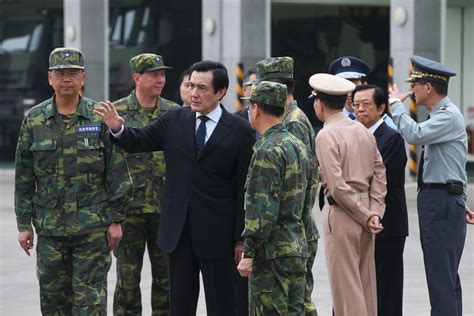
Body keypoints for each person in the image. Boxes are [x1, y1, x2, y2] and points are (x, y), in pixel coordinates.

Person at [94, 60, 255, 316]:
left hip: (218, 235)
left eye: (202, 88)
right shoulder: (174, 119)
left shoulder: (241, 130)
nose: (193, 93)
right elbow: (139, 140)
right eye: (191, 85)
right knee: (179, 305)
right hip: (178, 233)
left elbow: (242, 188)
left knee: (223, 305)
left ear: (221, 92)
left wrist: (240, 239)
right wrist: (117, 128)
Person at [15, 47, 132, 315]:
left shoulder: (99, 116)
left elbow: (116, 170)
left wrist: (116, 220)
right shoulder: (34, 120)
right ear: (50, 78)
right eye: (60, 73)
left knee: (90, 302)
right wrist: (24, 225)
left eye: (73, 73)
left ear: (83, 78)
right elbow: (24, 176)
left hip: (91, 230)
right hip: (50, 230)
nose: (67, 78)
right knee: (54, 302)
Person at [388, 55, 474, 316]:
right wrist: (462, 199)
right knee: (445, 278)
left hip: (441, 203)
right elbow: (454, 164)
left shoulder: (447, 116)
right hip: (444, 201)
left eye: (415, 85)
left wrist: (395, 106)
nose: (412, 90)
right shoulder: (442, 115)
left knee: (440, 280)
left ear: (428, 88)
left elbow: (414, 134)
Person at [310, 73, 386, 316]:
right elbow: (380, 174)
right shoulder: (363, 130)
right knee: (366, 285)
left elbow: (337, 186)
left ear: (319, 104)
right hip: (366, 211)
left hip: (344, 213)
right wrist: (374, 212)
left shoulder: (326, 134)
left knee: (346, 289)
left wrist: (365, 215)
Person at [112, 53, 179, 315]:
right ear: (137, 78)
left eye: (162, 74)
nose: (160, 80)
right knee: (127, 283)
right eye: (154, 75)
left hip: (165, 211)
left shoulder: (174, 113)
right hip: (129, 212)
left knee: (167, 281)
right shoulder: (116, 114)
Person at [237, 80, 311, 314]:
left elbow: (261, 209)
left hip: (272, 252)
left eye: (249, 106)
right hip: (296, 244)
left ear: (256, 108)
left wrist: (249, 252)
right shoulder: (297, 145)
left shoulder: (267, 149)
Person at [254, 56, 319, 316]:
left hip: (291, 231)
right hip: (294, 231)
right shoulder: (293, 117)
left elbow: (295, 185)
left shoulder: (291, 123)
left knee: (295, 304)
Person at [353, 84, 408, 316]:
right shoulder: (355, 134)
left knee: (387, 288)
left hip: (388, 225)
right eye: (356, 105)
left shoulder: (391, 138)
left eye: (366, 105)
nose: (360, 110)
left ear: (382, 108)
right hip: (361, 222)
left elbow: (379, 179)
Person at [329, 55, 397, 129]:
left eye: (353, 85)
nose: (349, 92)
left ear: (364, 85)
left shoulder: (381, 121)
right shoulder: (331, 119)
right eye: (343, 85)